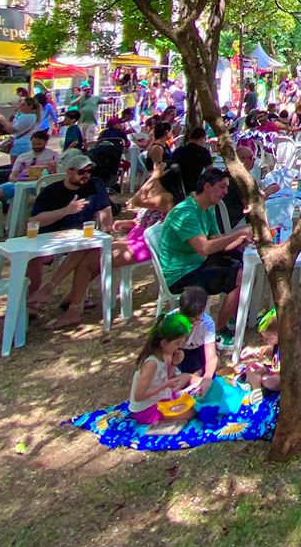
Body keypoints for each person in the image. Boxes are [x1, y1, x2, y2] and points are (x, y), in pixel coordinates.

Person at [153, 166, 252, 330]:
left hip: (199, 262)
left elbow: (219, 242)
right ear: (207, 186)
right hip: (181, 274)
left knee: (247, 266)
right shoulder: (186, 213)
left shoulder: (209, 207)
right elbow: (204, 248)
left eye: (227, 187)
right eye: (222, 187)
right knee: (243, 277)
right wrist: (237, 234)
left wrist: (242, 239)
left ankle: (235, 315)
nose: (226, 192)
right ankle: (218, 330)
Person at [27, 150, 114, 327]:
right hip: (52, 238)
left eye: (89, 171)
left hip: (80, 239)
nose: (86, 176)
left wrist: (107, 229)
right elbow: (34, 221)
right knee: (34, 259)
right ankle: (32, 304)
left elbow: (106, 209)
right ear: (69, 172)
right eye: (81, 172)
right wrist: (66, 211)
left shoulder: (95, 185)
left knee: (94, 250)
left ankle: (56, 292)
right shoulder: (53, 191)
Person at [130, 311, 194, 425]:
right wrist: (165, 385)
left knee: (190, 397)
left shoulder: (165, 355)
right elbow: (138, 395)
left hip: (160, 398)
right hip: (146, 409)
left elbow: (163, 378)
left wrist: (174, 364)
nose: (179, 347)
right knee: (191, 413)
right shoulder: (151, 364)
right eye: (177, 343)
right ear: (164, 343)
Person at [175, 285, 219, 389]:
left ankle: (193, 376)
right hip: (178, 351)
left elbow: (211, 356)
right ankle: (188, 377)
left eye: (195, 319)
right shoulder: (173, 320)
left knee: (215, 364)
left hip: (197, 349)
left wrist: (207, 377)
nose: (191, 323)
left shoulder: (207, 323)